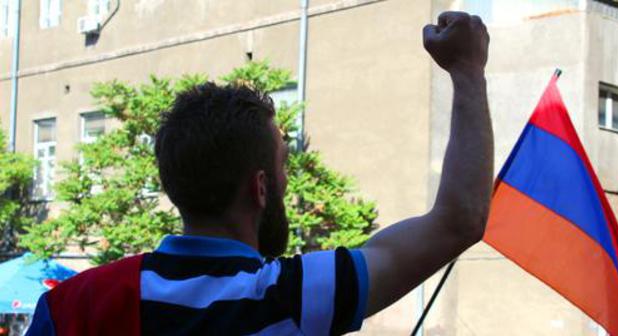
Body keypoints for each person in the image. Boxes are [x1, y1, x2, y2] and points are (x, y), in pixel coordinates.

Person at [27, 11, 491, 336]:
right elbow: (459, 220)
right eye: (282, 167)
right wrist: (468, 70)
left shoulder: (71, 305)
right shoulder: (289, 297)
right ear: (261, 187)